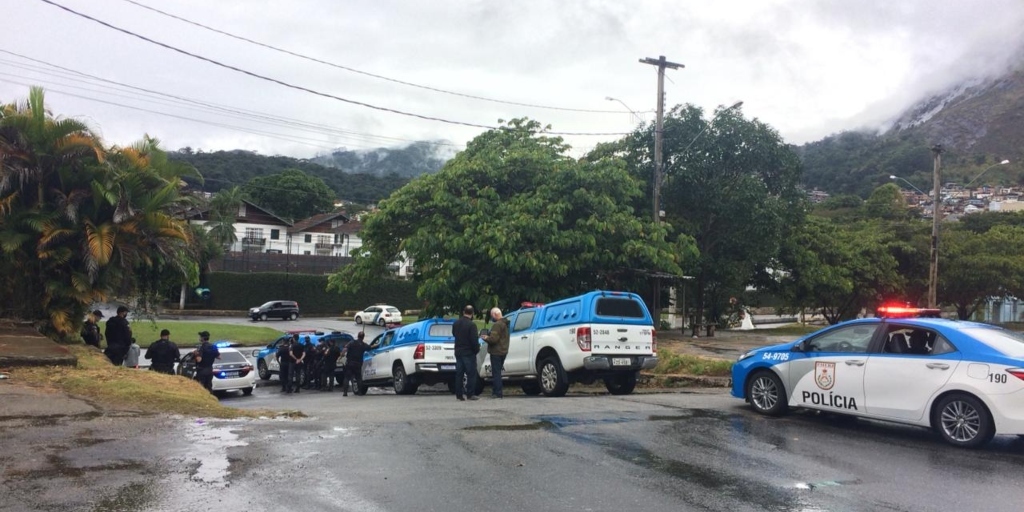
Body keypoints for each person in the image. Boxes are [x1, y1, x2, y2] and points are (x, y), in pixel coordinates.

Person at [452, 305, 480, 401]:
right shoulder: (472, 325)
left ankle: (459, 394)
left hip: (458, 351)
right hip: (469, 352)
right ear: (472, 314)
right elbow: (474, 340)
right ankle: (470, 394)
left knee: (459, 374)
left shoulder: (456, 323)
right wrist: (476, 350)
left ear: (464, 312)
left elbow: (454, 334)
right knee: (471, 373)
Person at [481, 307, 510, 399]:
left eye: (491, 315)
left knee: (496, 373)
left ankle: (497, 392)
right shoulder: (505, 323)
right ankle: (498, 391)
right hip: (503, 351)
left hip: (496, 352)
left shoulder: (497, 325)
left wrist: (486, 338)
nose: (491, 317)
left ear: (495, 314)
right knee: (498, 372)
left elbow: (493, 339)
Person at [341, 332, 370, 397]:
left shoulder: (352, 342)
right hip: (358, 364)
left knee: (347, 378)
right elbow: (370, 347)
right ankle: (360, 392)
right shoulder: (363, 345)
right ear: (363, 337)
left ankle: (345, 393)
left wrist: (342, 355)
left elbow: (345, 349)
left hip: (350, 363)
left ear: (357, 336)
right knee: (358, 378)